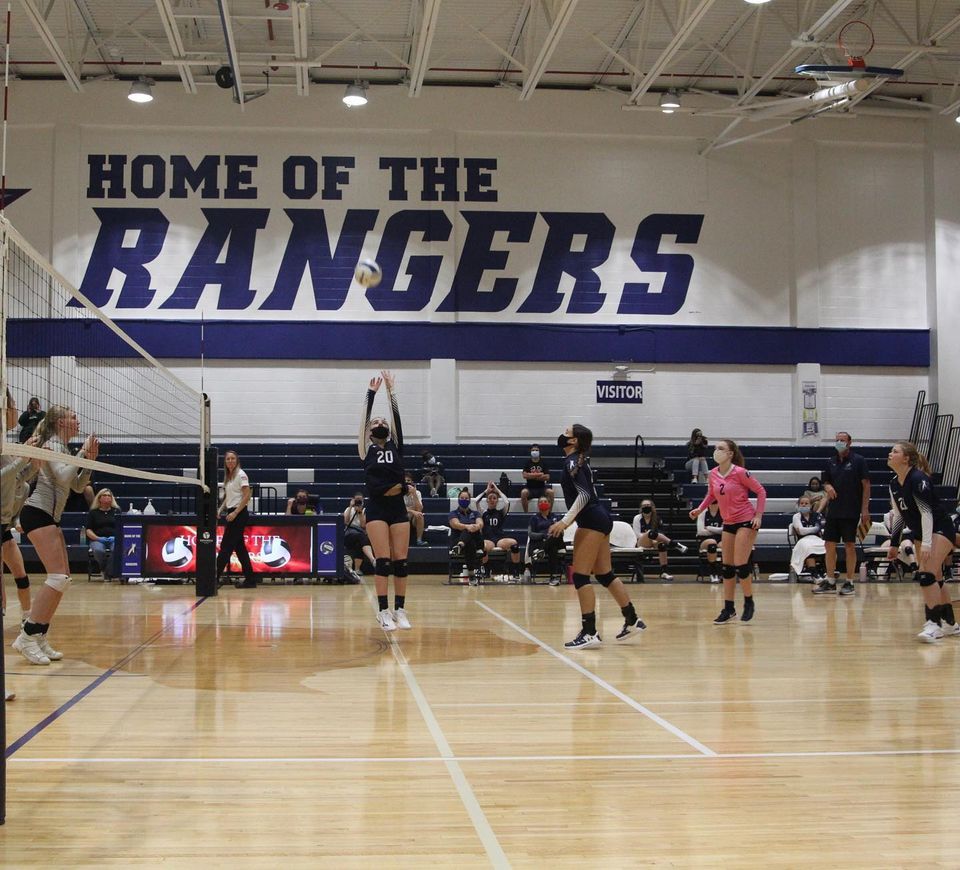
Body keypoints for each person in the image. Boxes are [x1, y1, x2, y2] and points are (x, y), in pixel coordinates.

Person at [12, 404, 98, 665]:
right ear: (61, 422)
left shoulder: (63, 448)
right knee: (58, 577)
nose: (78, 420)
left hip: (49, 516)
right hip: (37, 513)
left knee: (64, 579)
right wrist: (82, 452)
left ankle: (38, 635)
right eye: (73, 416)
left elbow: (76, 485)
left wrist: (89, 461)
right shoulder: (50, 444)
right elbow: (61, 478)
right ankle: (26, 636)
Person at [548, 423, 646, 649]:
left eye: (567, 433)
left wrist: (564, 522)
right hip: (599, 517)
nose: (562, 436)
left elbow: (583, 495)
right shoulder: (578, 460)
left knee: (581, 577)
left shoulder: (573, 461)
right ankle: (632, 619)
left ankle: (590, 631)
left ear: (573, 441)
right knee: (604, 574)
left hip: (591, 519)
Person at [886, 441, 959, 642]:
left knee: (926, 575)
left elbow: (927, 513)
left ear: (906, 458)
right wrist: (894, 543)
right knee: (935, 576)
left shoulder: (918, 479)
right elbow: (899, 516)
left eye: (895, 451)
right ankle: (951, 624)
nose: (890, 454)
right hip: (922, 532)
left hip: (940, 528)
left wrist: (926, 543)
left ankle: (933, 624)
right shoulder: (894, 484)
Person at [690, 438, 766, 625]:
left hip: (746, 520)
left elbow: (761, 491)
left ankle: (748, 602)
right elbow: (711, 495)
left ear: (730, 454)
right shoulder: (713, 473)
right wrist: (700, 509)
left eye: (721, 448)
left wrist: (758, 515)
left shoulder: (740, 472)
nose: (716, 451)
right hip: (729, 522)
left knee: (741, 564)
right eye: (716, 448)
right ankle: (729, 608)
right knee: (727, 567)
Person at [359, 370, 412, 631]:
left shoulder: (396, 446)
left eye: (383, 420)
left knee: (401, 560)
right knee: (383, 560)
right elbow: (363, 422)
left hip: (397, 508)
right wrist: (371, 396)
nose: (379, 421)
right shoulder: (364, 448)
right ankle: (383, 611)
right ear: (370, 431)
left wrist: (392, 392)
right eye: (375, 421)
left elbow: (397, 420)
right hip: (377, 507)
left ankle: (400, 609)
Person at [817, 431, 871, 596]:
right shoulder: (830, 461)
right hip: (833, 511)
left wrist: (865, 509)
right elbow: (824, 482)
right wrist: (827, 486)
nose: (839, 442)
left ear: (849, 442)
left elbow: (866, 485)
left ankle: (849, 582)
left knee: (849, 546)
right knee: (829, 545)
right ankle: (831, 580)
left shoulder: (858, 461)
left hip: (851, 510)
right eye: (837, 440)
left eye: (842, 440)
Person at [216, 449, 256, 589]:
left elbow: (247, 496)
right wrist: (220, 510)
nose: (230, 461)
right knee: (240, 549)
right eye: (228, 459)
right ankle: (250, 580)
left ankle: (213, 579)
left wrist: (235, 513)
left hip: (239, 513)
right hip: (232, 512)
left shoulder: (241, 474)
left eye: (233, 458)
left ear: (237, 460)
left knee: (225, 547)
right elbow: (228, 497)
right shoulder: (229, 476)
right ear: (225, 462)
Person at [631, 498, 688, 582]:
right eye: (644, 506)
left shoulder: (657, 518)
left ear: (652, 507)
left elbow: (661, 533)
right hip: (641, 542)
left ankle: (664, 572)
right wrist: (649, 536)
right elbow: (636, 534)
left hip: (654, 542)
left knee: (662, 545)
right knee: (651, 533)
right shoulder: (637, 518)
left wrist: (654, 538)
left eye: (648, 506)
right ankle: (674, 544)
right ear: (640, 508)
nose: (646, 507)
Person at [476, 483, 521, 580]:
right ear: (487, 500)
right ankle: (487, 571)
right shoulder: (483, 513)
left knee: (515, 545)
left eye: (494, 498)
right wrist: (486, 491)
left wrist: (497, 490)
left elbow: (507, 503)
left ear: (497, 501)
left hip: (500, 539)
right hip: (488, 540)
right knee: (482, 546)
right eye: (490, 498)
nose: (492, 500)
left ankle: (516, 571)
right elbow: (476, 501)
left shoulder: (501, 512)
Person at [449, 487, 484, 584]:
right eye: (462, 498)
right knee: (470, 542)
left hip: (476, 540)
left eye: (466, 498)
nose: (464, 500)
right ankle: (471, 574)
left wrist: (474, 527)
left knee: (471, 532)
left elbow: (480, 524)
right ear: (458, 499)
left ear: (469, 500)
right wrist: (468, 526)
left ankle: (460, 545)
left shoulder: (475, 513)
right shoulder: (453, 513)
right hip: (459, 540)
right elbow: (455, 524)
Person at [85, 488, 121, 580]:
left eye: (109, 496)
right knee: (98, 550)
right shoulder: (93, 513)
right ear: (99, 498)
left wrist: (117, 537)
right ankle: (104, 569)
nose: (107, 497)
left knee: (116, 549)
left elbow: (121, 527)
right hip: (97, 538)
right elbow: (88, 530)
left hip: (114, 538)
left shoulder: (116, 511)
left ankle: (108, 573)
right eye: (104, 495)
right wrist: (98, 538)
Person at [526, 497, 563, 585]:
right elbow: (530, 534)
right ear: (538, 505)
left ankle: (541, 552)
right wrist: (544, 535)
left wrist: (554, 533)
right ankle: (553, 577)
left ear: (549, 504)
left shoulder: (555, 517)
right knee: (553, 548)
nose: (543, 503)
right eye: (541, 502)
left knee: (557, 536)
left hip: (555, 539)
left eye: (545, 501)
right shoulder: (534, 518)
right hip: (539, 542)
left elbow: (561, 531)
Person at [789, 496, 826, 582]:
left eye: (806, 503)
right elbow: (801, 532)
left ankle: (825, 572)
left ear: (810, 505)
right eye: (802, 503)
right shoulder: (796, 516)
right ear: (798, 505)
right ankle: (814, 574)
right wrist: (814, 528)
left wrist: (806, 530)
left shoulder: (817, 515)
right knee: (808, 548)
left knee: (828, 546)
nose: (804, 505)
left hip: (816, 538)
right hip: (803, 540)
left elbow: (821, 526)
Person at [343, 492, 375, 578]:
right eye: (356, 499)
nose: (358, 501)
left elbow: (363, 525)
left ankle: (357, 569)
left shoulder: (365, 511)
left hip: (359, 535)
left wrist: (360, 512)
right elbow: (345, 522)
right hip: (349, 535)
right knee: (362, 537)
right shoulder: (348, 509)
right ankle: (372, 559)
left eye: (360, 500)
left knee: (360, 543)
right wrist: (351, 507)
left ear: (363, 500)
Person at [696, 500, 723, 583]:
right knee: (712, 543)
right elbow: (700, 531)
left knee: (727, 544)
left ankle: (723, 572)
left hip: (720, 538)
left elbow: (724, 530)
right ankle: (713, 572)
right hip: (705, 539)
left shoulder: (723, 512)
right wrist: (717, 530)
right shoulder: (702, 512)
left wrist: (709, 528)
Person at [520, 444, 554, 512]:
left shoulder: (543, 462)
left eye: (536, 450)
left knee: (551, 492)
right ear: (530, 452)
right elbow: (525, 475)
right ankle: (526, 513)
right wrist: (540, 474)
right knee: (523, 493)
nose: (535, 451)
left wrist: (531, 476)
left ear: (539, 451)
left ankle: (549, 513)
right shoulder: (527, 462)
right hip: (530, 488)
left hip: (541, 488)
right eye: (533, 450)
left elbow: (547, 477)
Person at [403, 472, 427, 545]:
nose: (407, 482)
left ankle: (419, 540)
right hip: (401, 515)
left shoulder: (417, 492)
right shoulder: (398, 492)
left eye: (408, 480)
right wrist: (412, 510)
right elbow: (399, 508)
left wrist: (414, 494)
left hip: (413, 517)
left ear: (412, 482)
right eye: (405, 481)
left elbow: (419, 509)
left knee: (420, 515)